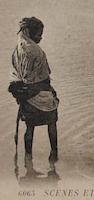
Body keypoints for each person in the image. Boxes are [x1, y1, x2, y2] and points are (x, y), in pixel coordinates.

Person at [8, 17, 59, 162]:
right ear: (30, 33)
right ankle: (54, 153)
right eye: (39, 34)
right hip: (41, 94)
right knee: (52, 122)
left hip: (26, 96)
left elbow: (15, 76)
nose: (41, 37)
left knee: (29, 127)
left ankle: (28, 157)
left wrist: (23, 92)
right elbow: (44, 77)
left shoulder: (17, 50)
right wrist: (51, 90)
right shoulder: (37, 51)